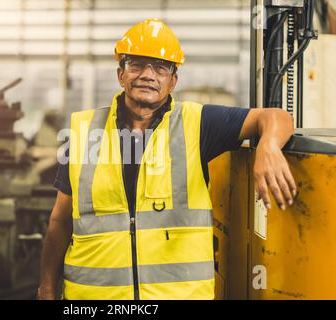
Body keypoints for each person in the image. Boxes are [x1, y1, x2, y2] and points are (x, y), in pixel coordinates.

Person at [38, 18, 296, 300]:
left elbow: (275, 116)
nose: (148, 75)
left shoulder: (198, 124)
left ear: (173, 81)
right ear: (120, 74)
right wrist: (47, 288)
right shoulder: (85, 132)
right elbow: (60, 221)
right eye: (136, 64)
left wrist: (268, 146)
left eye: (160, 67)